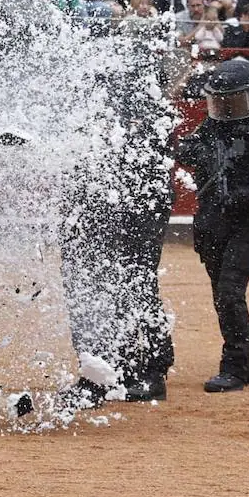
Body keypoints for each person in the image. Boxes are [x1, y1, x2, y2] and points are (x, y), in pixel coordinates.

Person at [53, 68, 176, 411]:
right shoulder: (93, 128)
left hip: (133, 222)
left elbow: (149, 191)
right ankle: (101, 374)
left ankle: (150, 370)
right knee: (89, 294)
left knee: (135, 286)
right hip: (96, 223)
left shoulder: (141, 130)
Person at [177, 58, 249, 392]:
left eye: (232, 100)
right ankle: (247, 364)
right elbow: (185, 152)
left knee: (229, 293)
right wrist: (198, 152)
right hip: (212, 225)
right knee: (222, 295)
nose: (224, 108)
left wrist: (239, 197)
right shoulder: (211, 128)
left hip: (247, 225)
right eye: (219, 101)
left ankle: (236, 366)